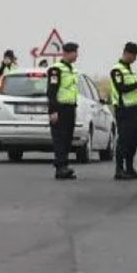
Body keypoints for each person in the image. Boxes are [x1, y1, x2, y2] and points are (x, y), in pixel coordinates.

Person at [109, 42, 137, 180]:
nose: (135, 58)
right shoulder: (116, 70)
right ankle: (119, 169)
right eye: (134, 55)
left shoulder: (131, 71)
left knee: (133, 140)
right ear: (127, 53)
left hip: (134, 109)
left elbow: (136, 89)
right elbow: (121, 88)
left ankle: (130, 168)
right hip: (124, 109)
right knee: (123, 140)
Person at [47, 42, 80, 180]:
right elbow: (52, 91)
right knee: (60, 139)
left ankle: (64, 166)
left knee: (67, 139)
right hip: (59, 108)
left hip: (70, 108)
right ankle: (60, 167)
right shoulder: (56, 70)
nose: (77, 55)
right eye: (75, 52)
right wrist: (53, 111)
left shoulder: (72, 69)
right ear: (66, 53)